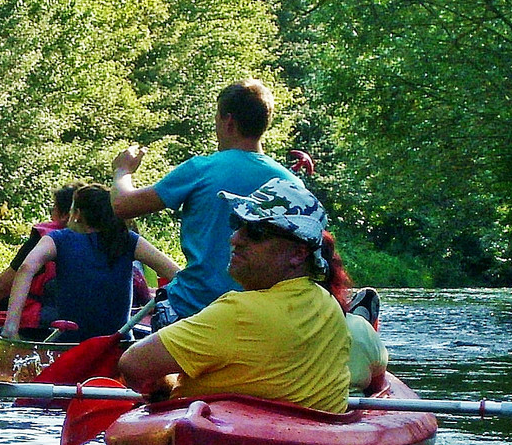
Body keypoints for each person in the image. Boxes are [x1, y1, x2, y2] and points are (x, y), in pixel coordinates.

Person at [116, 176, 350, 412]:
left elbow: (132, 365)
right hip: (307, 439)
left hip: (224, 443)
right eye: (237, 223)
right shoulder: (329, 306)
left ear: (298, 254)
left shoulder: (239, 312)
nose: (235, 238)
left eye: (256, 232)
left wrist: (165, 383)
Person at [111, 79, 295, 327]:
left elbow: (123, 205)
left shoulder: (201, 169)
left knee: (132, 364)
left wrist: (122, 171)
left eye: (217, 119)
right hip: (260, 317)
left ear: (228, 121)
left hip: (194, 310)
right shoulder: (290, 183)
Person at [3, 184, 180, 342]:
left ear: (77, 215)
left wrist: (11, 327)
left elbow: (26, 268)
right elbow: (177, 274)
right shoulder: (127, 240)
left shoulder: (58, 239)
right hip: (116, 345)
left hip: (69, 344)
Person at [0, 182, 82, 329]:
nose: (51, 213)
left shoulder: (45, 239)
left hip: (41, 323)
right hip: (88, 321)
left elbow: (1, 286)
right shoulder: (102, 239)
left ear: (65, 215)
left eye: (53, 208)